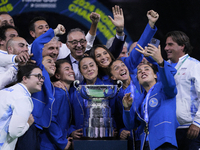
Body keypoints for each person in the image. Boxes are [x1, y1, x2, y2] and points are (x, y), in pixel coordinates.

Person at [15, 24, 65, 150]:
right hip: (29, 123)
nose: (53, 63)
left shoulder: (51, 83)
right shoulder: (38, 68)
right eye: (48, 61)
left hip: (39, 128)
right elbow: (37, 44)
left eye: (53, 62)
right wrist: (54, 32)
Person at [122, 44, 179, 150]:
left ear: (156, 75)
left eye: (147, 69)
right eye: (139, 71)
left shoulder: (164, 88)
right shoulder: (139, 100)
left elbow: (171, 75)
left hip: (164, 142)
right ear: (138, 80)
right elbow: (130, 125)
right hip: (146, 144)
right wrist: (126, 109)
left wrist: (159, 61)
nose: (142, 71)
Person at [65, 5, 126, 82]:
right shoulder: (63, 64)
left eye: (82, 41)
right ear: (67, 45)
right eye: (74, 42)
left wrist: (120, 31)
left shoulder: (95, 58)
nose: (79, 45)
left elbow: (114, 50)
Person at [164, 31, 200, 150]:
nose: (166, 48)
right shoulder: (164, 67)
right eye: (166, 45)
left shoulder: (194, 65)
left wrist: (197, 123)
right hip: (169, 128)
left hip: (190, 128)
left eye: (170, 44)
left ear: (182, 46)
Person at [69, 56, 116, 139]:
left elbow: (115, 113)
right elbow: (69, 117)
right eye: (85, 67)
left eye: (91, 65)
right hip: (81, 138)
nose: (89, 69)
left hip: (105, 137)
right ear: (80, 71)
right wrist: (71, 131)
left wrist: (114, 127)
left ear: (97, 67)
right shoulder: (74, 91)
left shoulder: (109, 88)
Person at [0, 64, 44, 150]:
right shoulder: (23, 98)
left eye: (42, 77)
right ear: (25, 78)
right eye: (38, 76)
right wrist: (28, 124)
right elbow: (14, 132)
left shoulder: (4, 91)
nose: (41, 80)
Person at [28, 12, 100, 58]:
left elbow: (85, 44)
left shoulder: (61, 47)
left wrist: (94, 24)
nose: (45, 30)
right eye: (41, 28)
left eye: (47, 27)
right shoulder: (28, 50)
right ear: (32, 33)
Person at [39, 59, 74, 150]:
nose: (71, 71)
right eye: (67, 69)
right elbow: (50, 118)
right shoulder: (58, 92)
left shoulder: (67, 92)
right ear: (57, 75)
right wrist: (61, 142)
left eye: (71, 68)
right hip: (49, 144)